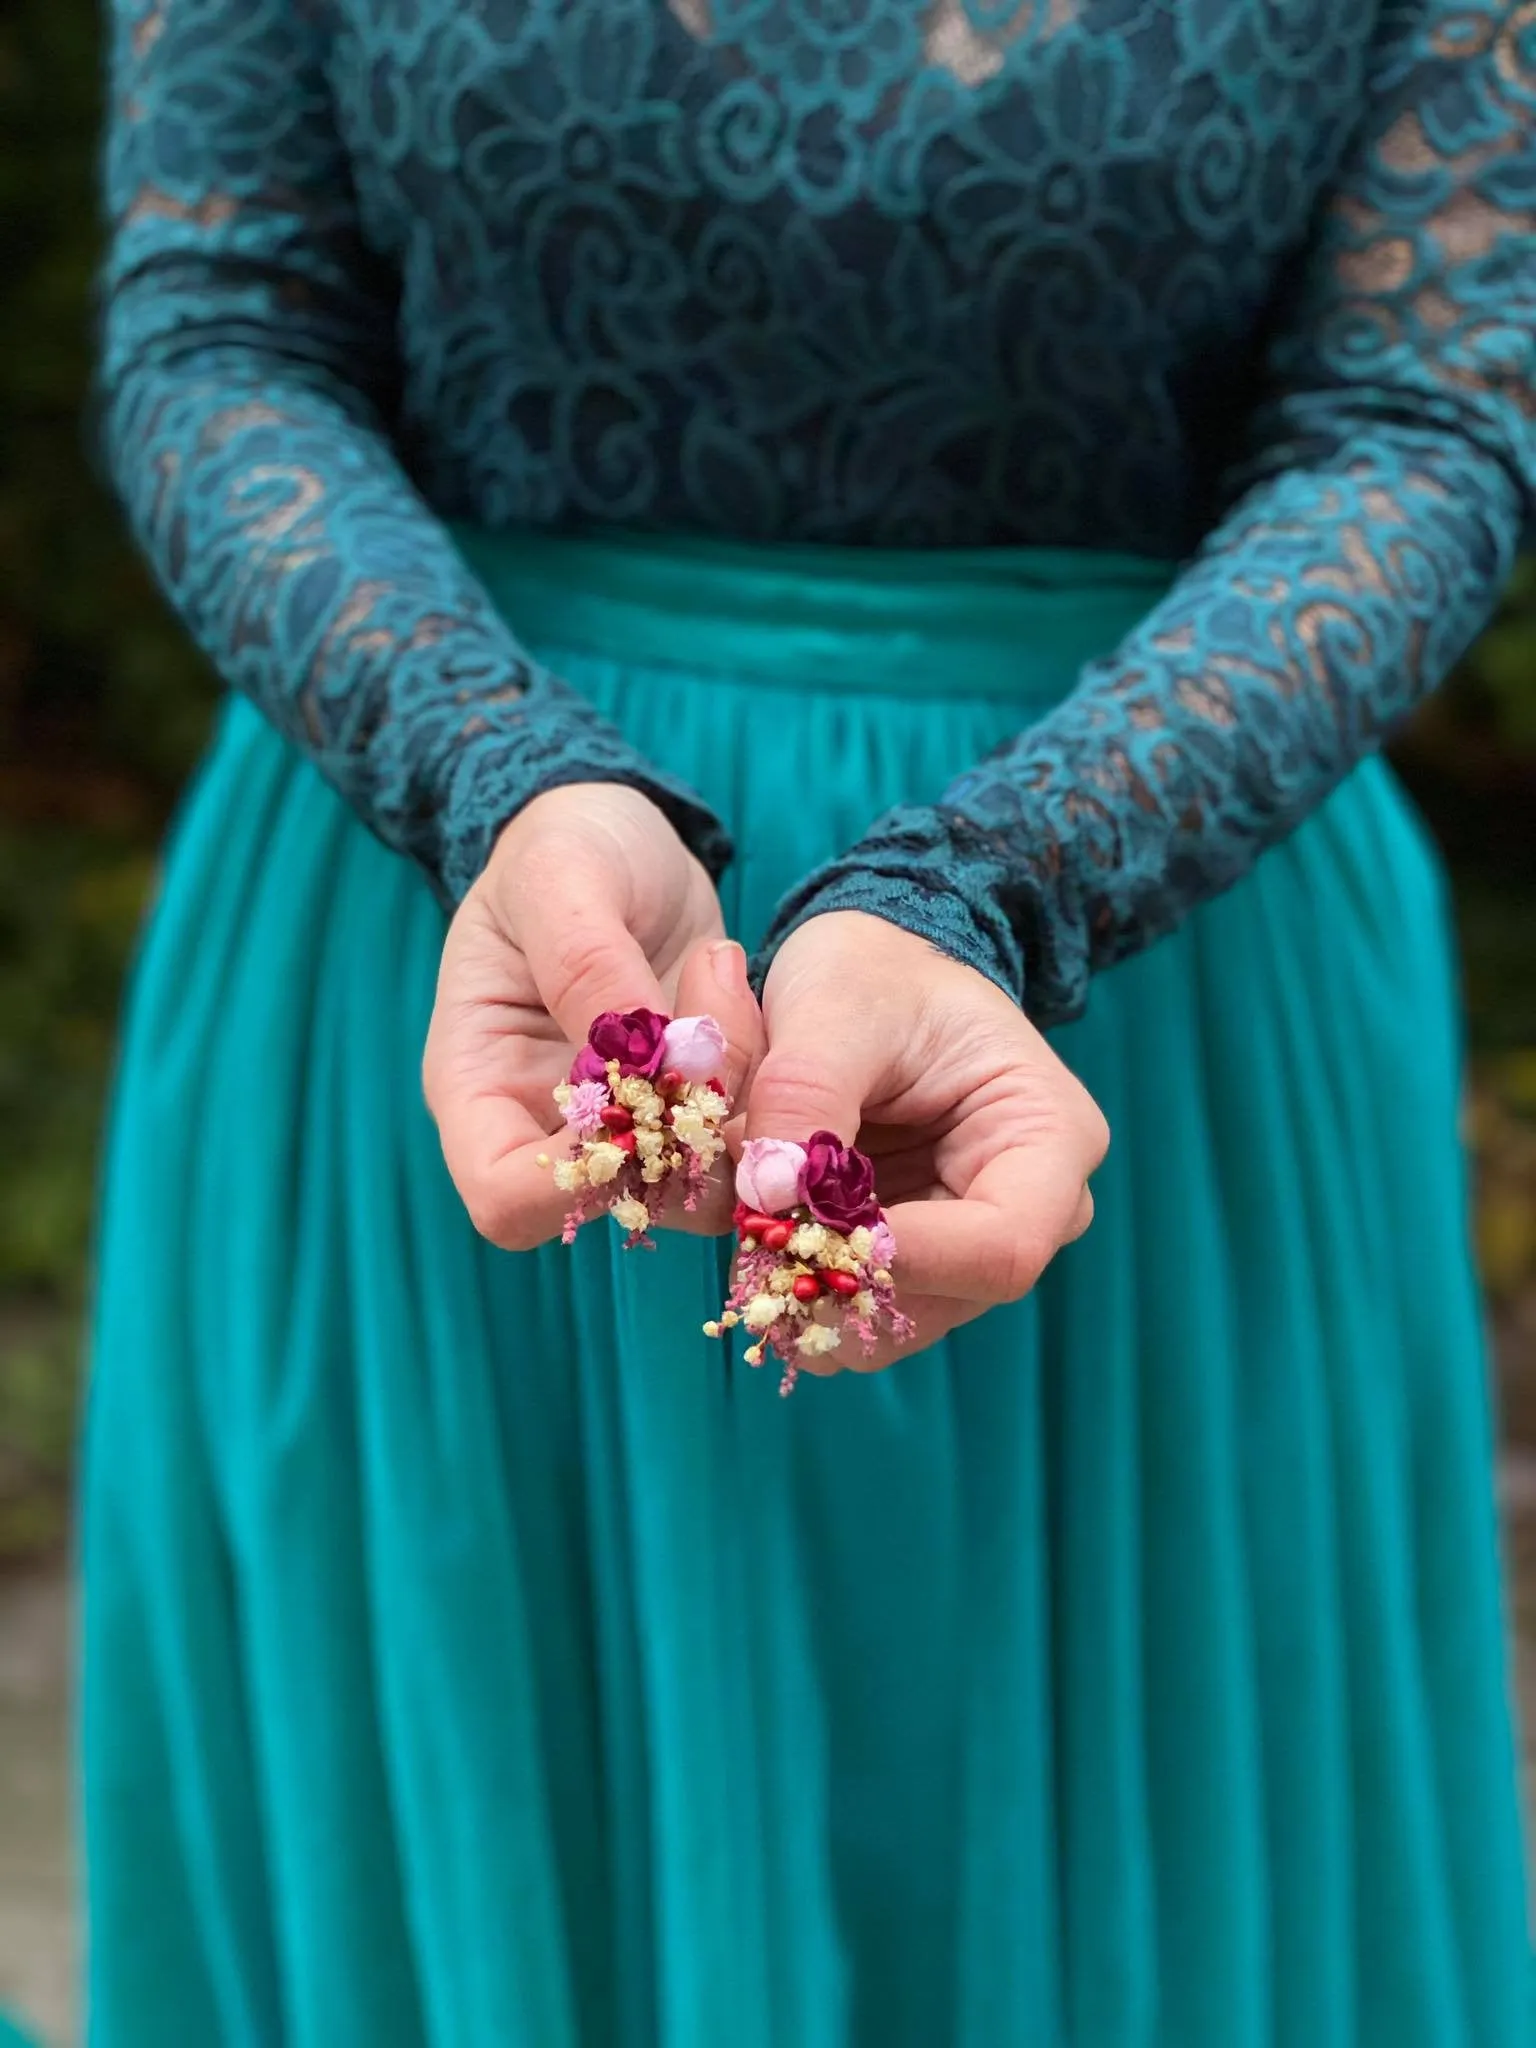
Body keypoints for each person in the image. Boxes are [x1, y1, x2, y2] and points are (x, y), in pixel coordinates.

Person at [87, 0, 1535, 2040]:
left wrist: (1001, 886)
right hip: (473, 958)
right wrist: (496, 772)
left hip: (1152, 951)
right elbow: (219, 324)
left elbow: (1417, 420)